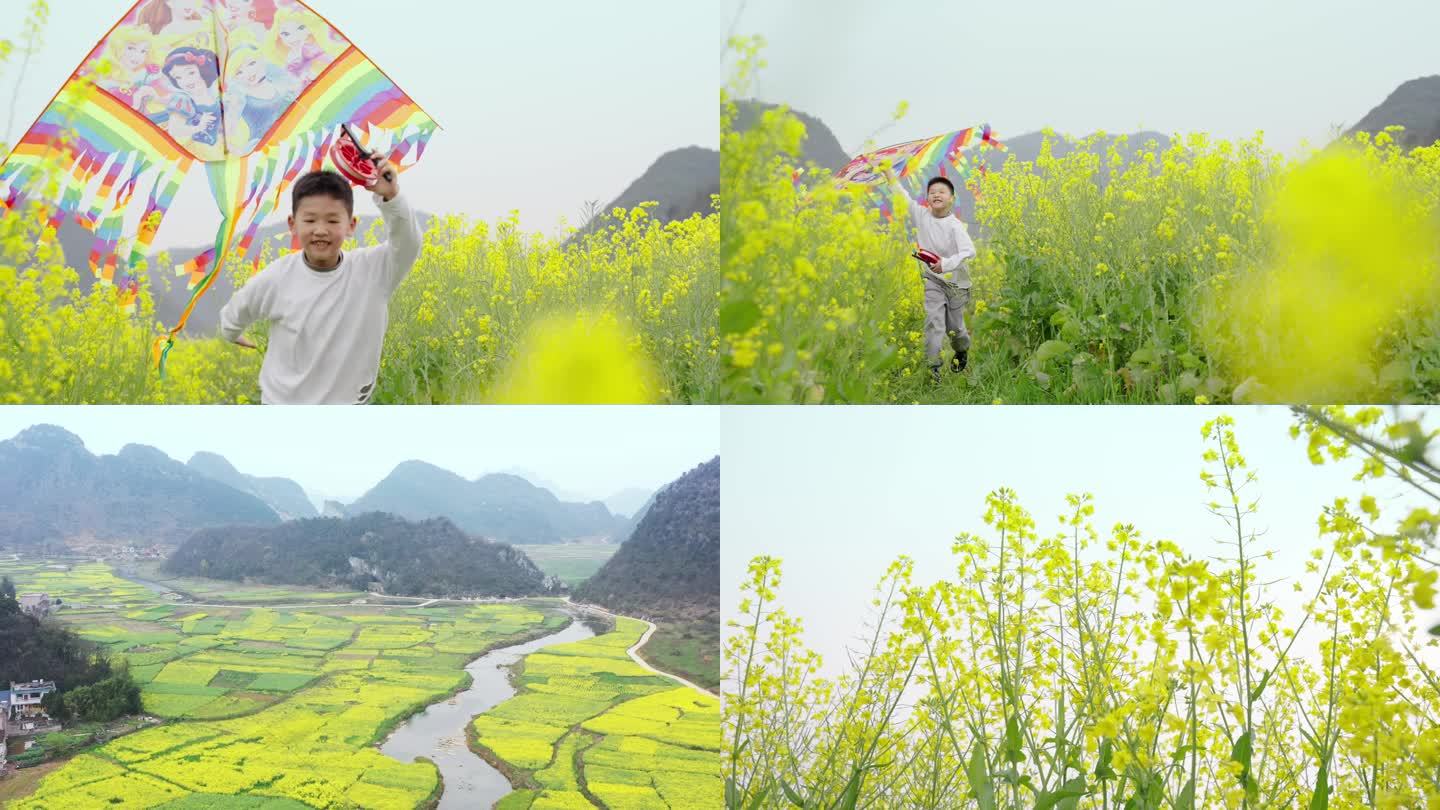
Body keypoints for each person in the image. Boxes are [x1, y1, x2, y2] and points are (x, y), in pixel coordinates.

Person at [218, 161, 420, 404]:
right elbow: (238, 309)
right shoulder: (276, 278)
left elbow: (407, 243)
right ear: (293, 225)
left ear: (351, 225)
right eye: (310, 220)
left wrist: (390, 195)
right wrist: (231, 332)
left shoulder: (374, 271)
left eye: (333, 221)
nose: (321, 230)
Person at [888, 171, 977, 382]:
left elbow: (969, 251)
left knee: (956, 330)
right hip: (933, 282)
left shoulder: (955, 225)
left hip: (956, 284)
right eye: (932, 192)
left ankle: (961, 350)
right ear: (927, 198)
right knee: (933, 323)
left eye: (942, 191)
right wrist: (888, 174)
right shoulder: (921, 215)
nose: (936, 194)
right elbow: (903, 196)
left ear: (951, 199)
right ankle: (933, 368)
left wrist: (945, 264)